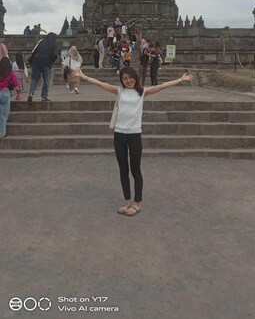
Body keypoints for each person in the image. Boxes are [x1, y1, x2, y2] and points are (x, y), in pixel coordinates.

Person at [73, 66, 193, 216]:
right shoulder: (120, 91)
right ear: (121, 80)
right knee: (123, 170)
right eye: (124, 78)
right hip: (119, 135)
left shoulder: (142, 92)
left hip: (135, 135)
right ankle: (127, 201)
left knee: (135, 170)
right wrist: (84, 77)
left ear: (135, 77)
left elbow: (161, 86)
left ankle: (138, 202)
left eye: (130, 77)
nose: (128, 81)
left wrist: (179, 80)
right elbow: (101, 84)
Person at [27, 32, 58, 103]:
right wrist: (51, 62)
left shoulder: (41, 41)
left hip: (36, 61)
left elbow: (33, 51)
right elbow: (54, 55)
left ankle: (31, 94)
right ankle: (44, 96)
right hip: (46, 62)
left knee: (34, 79)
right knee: (46, 79)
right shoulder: (53, 43)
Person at [0, 57, 20, 137]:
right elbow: (16, 84)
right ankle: (2, 133)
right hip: (5, 93)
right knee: (4, 114)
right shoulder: (11, 73)